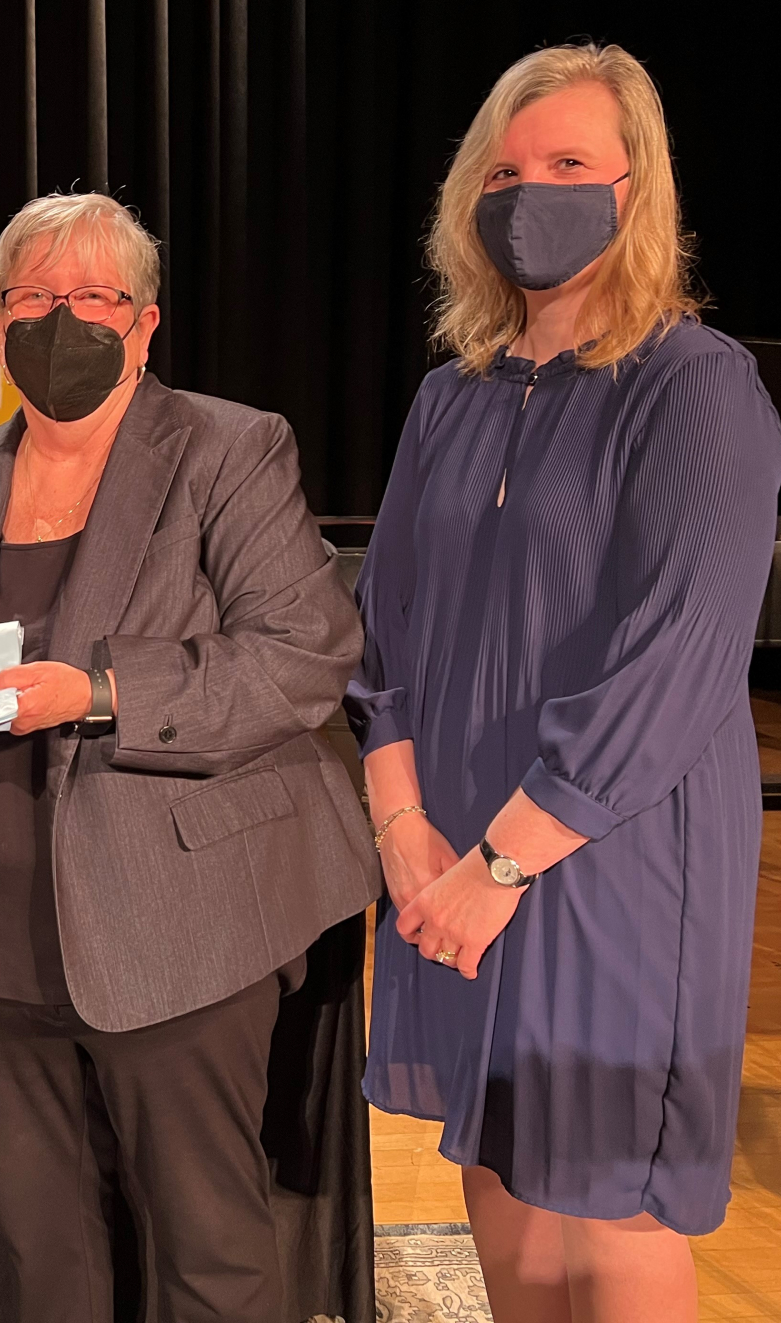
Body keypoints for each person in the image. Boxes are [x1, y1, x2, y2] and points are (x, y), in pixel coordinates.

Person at [0, 192, 381, 1322]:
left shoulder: (228, 449)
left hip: (179, 925)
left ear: (146, 324)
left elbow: (305, 654)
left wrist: (99, 692)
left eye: (94, 297)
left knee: (207, 1248)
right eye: (35, 297)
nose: (63, 319)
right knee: (32, 1251)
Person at [346, 43, 781, 1323]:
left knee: (607, 1202)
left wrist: (498, 868)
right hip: (447, 855)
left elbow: (679, 654)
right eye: (504, 169)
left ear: (635, 189)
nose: (529, 191)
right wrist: (408, 832)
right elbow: (389, 639)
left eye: (568, 165)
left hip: (609, 864)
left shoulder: (695, 387)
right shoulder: (449, 399)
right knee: (497, 1162)